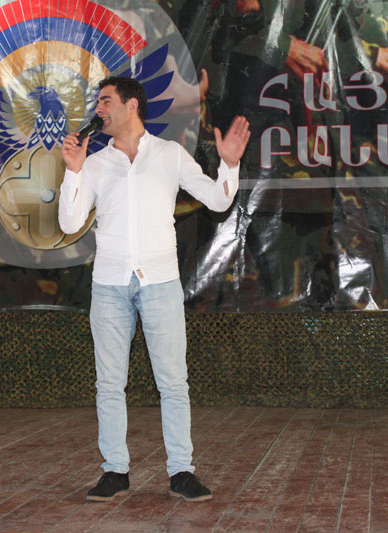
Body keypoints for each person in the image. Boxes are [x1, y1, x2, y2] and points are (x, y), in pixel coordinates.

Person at [58, 77, 250, 502]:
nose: (98, 109)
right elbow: (69, 224)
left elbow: (218, 200)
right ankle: (115, 470)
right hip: (109, 285)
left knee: (173, 383)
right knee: (109, 384)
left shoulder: (169, 154)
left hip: (160, 282)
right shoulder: (94, 163)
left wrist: (229, 165)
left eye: (106, 101)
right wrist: (72, 171)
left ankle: (181, 471)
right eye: (98, 103)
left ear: (131, 105)